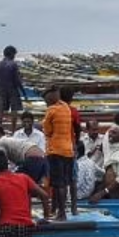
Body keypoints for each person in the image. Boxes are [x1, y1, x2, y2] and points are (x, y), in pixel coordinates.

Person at [42, 87, 76, 220]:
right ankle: (57, 209)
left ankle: (61, 213)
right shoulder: (66, 108)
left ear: (50, 98)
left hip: (55, 150)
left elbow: (47, 131)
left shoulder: (51, 110)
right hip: (68, 151)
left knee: (57, 184)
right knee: (64, 182)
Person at [0, 45, 28, 133]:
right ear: (12, 54)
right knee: (14, 110)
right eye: (14, 54)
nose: (14, 56)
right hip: (13, 89)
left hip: (2, 89)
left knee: (0, 111)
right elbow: (17, 80)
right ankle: (13, 130)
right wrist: (23, 92)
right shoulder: (13, 64)